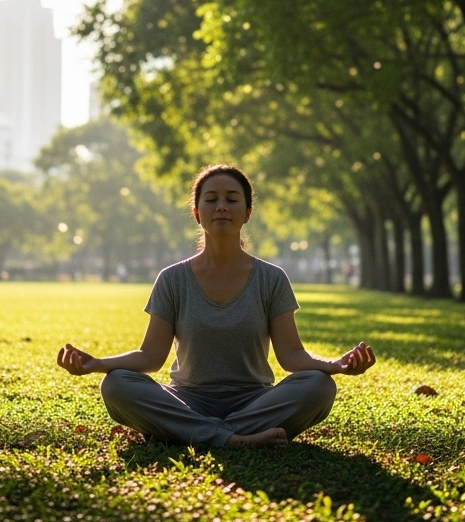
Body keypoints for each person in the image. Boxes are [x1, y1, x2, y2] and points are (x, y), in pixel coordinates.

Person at [57, 164, 375, 448]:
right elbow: (150, 357)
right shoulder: (172, 279)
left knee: (319, 386)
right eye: (211, 199)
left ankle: (192, 433)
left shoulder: (272, 278)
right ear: (197, 212)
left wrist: (337, 365)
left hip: (254, 401)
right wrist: (95, 364)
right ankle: (231, 438)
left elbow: (292, 357)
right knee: (116, 384)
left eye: (232, 199)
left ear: (247, 212)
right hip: (186, 399)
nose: (221, 206)